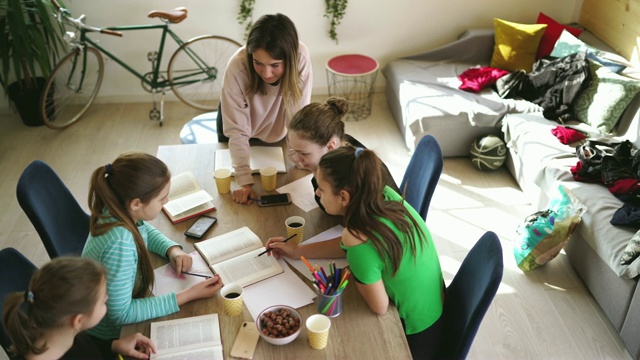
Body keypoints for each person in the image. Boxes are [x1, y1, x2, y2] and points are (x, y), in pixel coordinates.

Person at [272, 147, 444, 359]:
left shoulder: (357, 239)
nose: (316, 193)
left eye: (321, 189)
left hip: (416, 335)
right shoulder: (383, 196)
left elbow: (379, 307)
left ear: (343, 196)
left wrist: (358, 265)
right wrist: (298, 251)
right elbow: (350, 245)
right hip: (436, 307)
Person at [82, 152, 223, 349]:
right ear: (136, 204)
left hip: (124, 301)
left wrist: (170, 249)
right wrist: (188, 294)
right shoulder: (120, 242)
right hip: (112, 334)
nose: (166, 202)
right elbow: (122, 313)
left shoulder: (115, 207)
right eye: (162, 198)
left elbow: (141, 226)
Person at [266, 97, 400, 259]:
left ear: (330, 146)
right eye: (294, 151)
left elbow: (358, 240)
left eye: (303, 153)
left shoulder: (353, 178)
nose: (296, 159)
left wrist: (299, 251)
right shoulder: (344, 149)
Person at [218, 13, 313, 205]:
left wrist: (302, 157)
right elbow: (237, 132)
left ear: (290, 59)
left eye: (275, 65)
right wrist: (244, 180)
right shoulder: (237, 67)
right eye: (258, 63)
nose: (267, 73)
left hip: (278, 129)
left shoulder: (301, 57)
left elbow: (297, 117)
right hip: (238, 126)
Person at [2, 256, 156, 360]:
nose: (107, 298)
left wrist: (114, 345)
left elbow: (85, 350)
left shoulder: (59, 333)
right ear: (78, 320)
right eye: (103, 300)